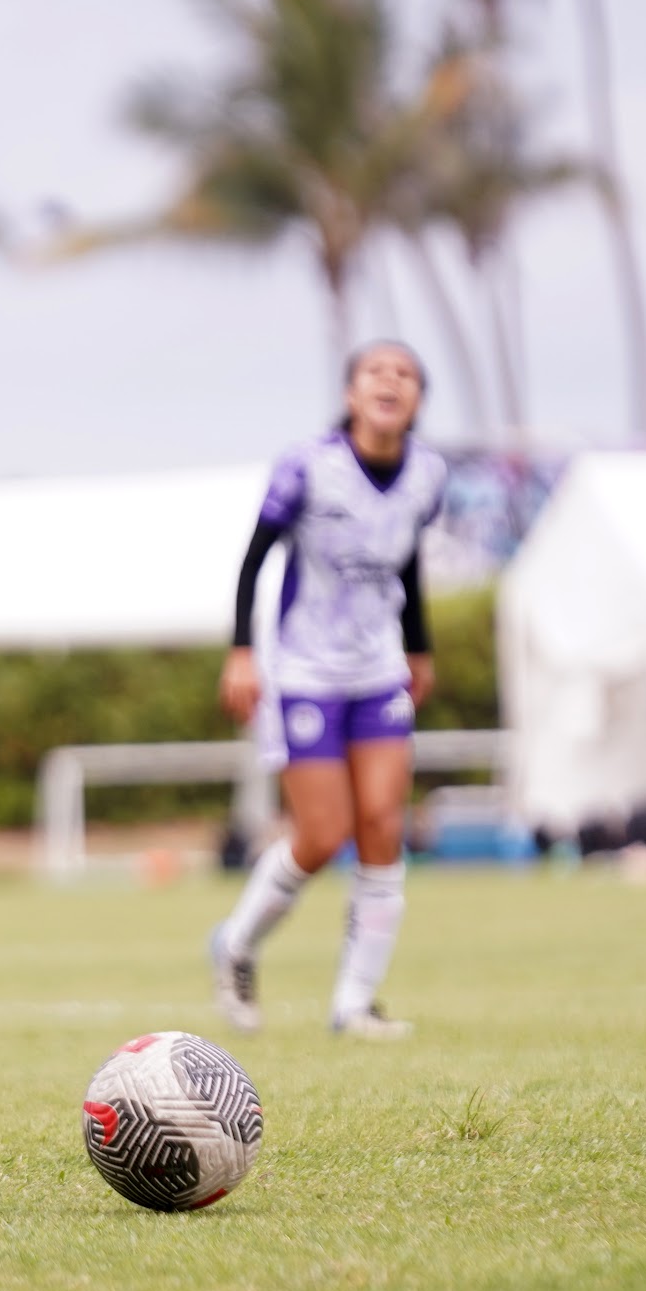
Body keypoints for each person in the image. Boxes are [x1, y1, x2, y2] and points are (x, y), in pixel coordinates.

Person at [211, 341, 444, 1040]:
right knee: (323, 833)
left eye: (404, 375)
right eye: (376, 371)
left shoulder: (429, 475)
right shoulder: (307, 466)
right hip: (306, 671)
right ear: (350, 393)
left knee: (382, 826)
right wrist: (243, 652)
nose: (390, 382)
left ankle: (354, 1004)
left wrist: (420, 647)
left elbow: (409, 567)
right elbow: (255, 557)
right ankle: (237, 944)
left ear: (417, 401)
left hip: (377, 672)